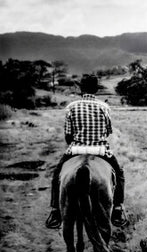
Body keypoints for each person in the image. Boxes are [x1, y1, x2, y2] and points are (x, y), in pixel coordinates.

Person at [45, 74, 127, 229]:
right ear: (96, 89)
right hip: (100, 150)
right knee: (119, 172)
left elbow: (68, 135)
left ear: (80, 89)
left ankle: (55, 210)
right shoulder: (104, 107)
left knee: (57, 174)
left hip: (76, 149)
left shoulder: (71, 107)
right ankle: (117, 208)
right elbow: (108, 131)